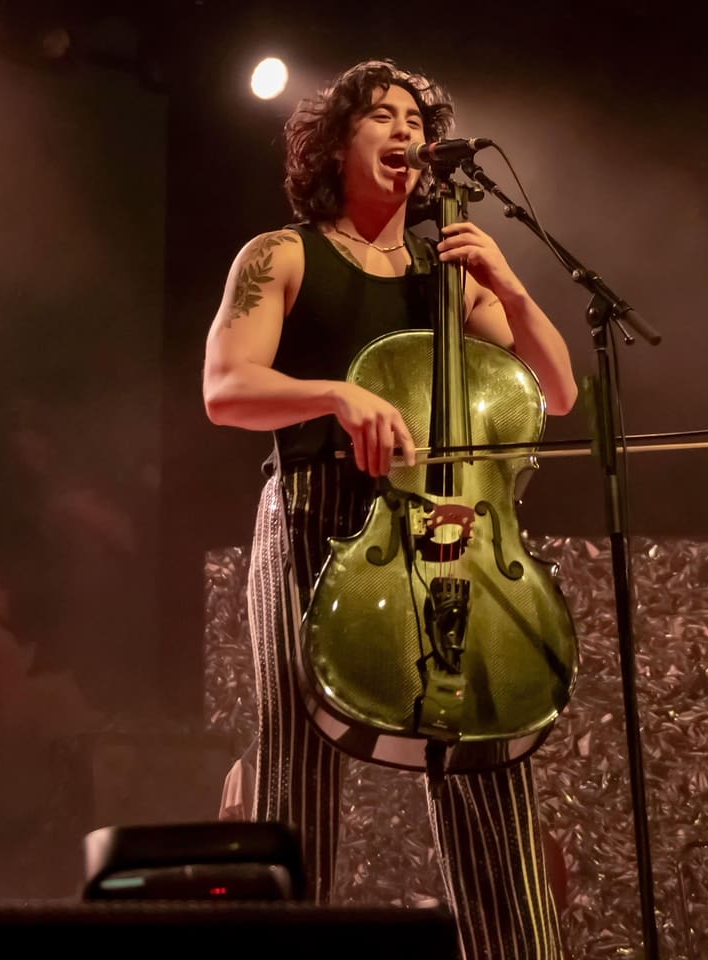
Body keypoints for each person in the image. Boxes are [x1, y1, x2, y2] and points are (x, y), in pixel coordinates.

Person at [203, 58, 578, 960]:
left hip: (448, 534)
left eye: (415, 118)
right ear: (337, 144)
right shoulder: (282, 254)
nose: (405, 130)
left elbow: (559, 392)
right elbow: (225, 388)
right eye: (382, 115)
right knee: (296, 759)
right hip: (316, 512)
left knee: (483, 743)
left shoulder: (447, 275)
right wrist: (336, 394)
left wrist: (508, 283)